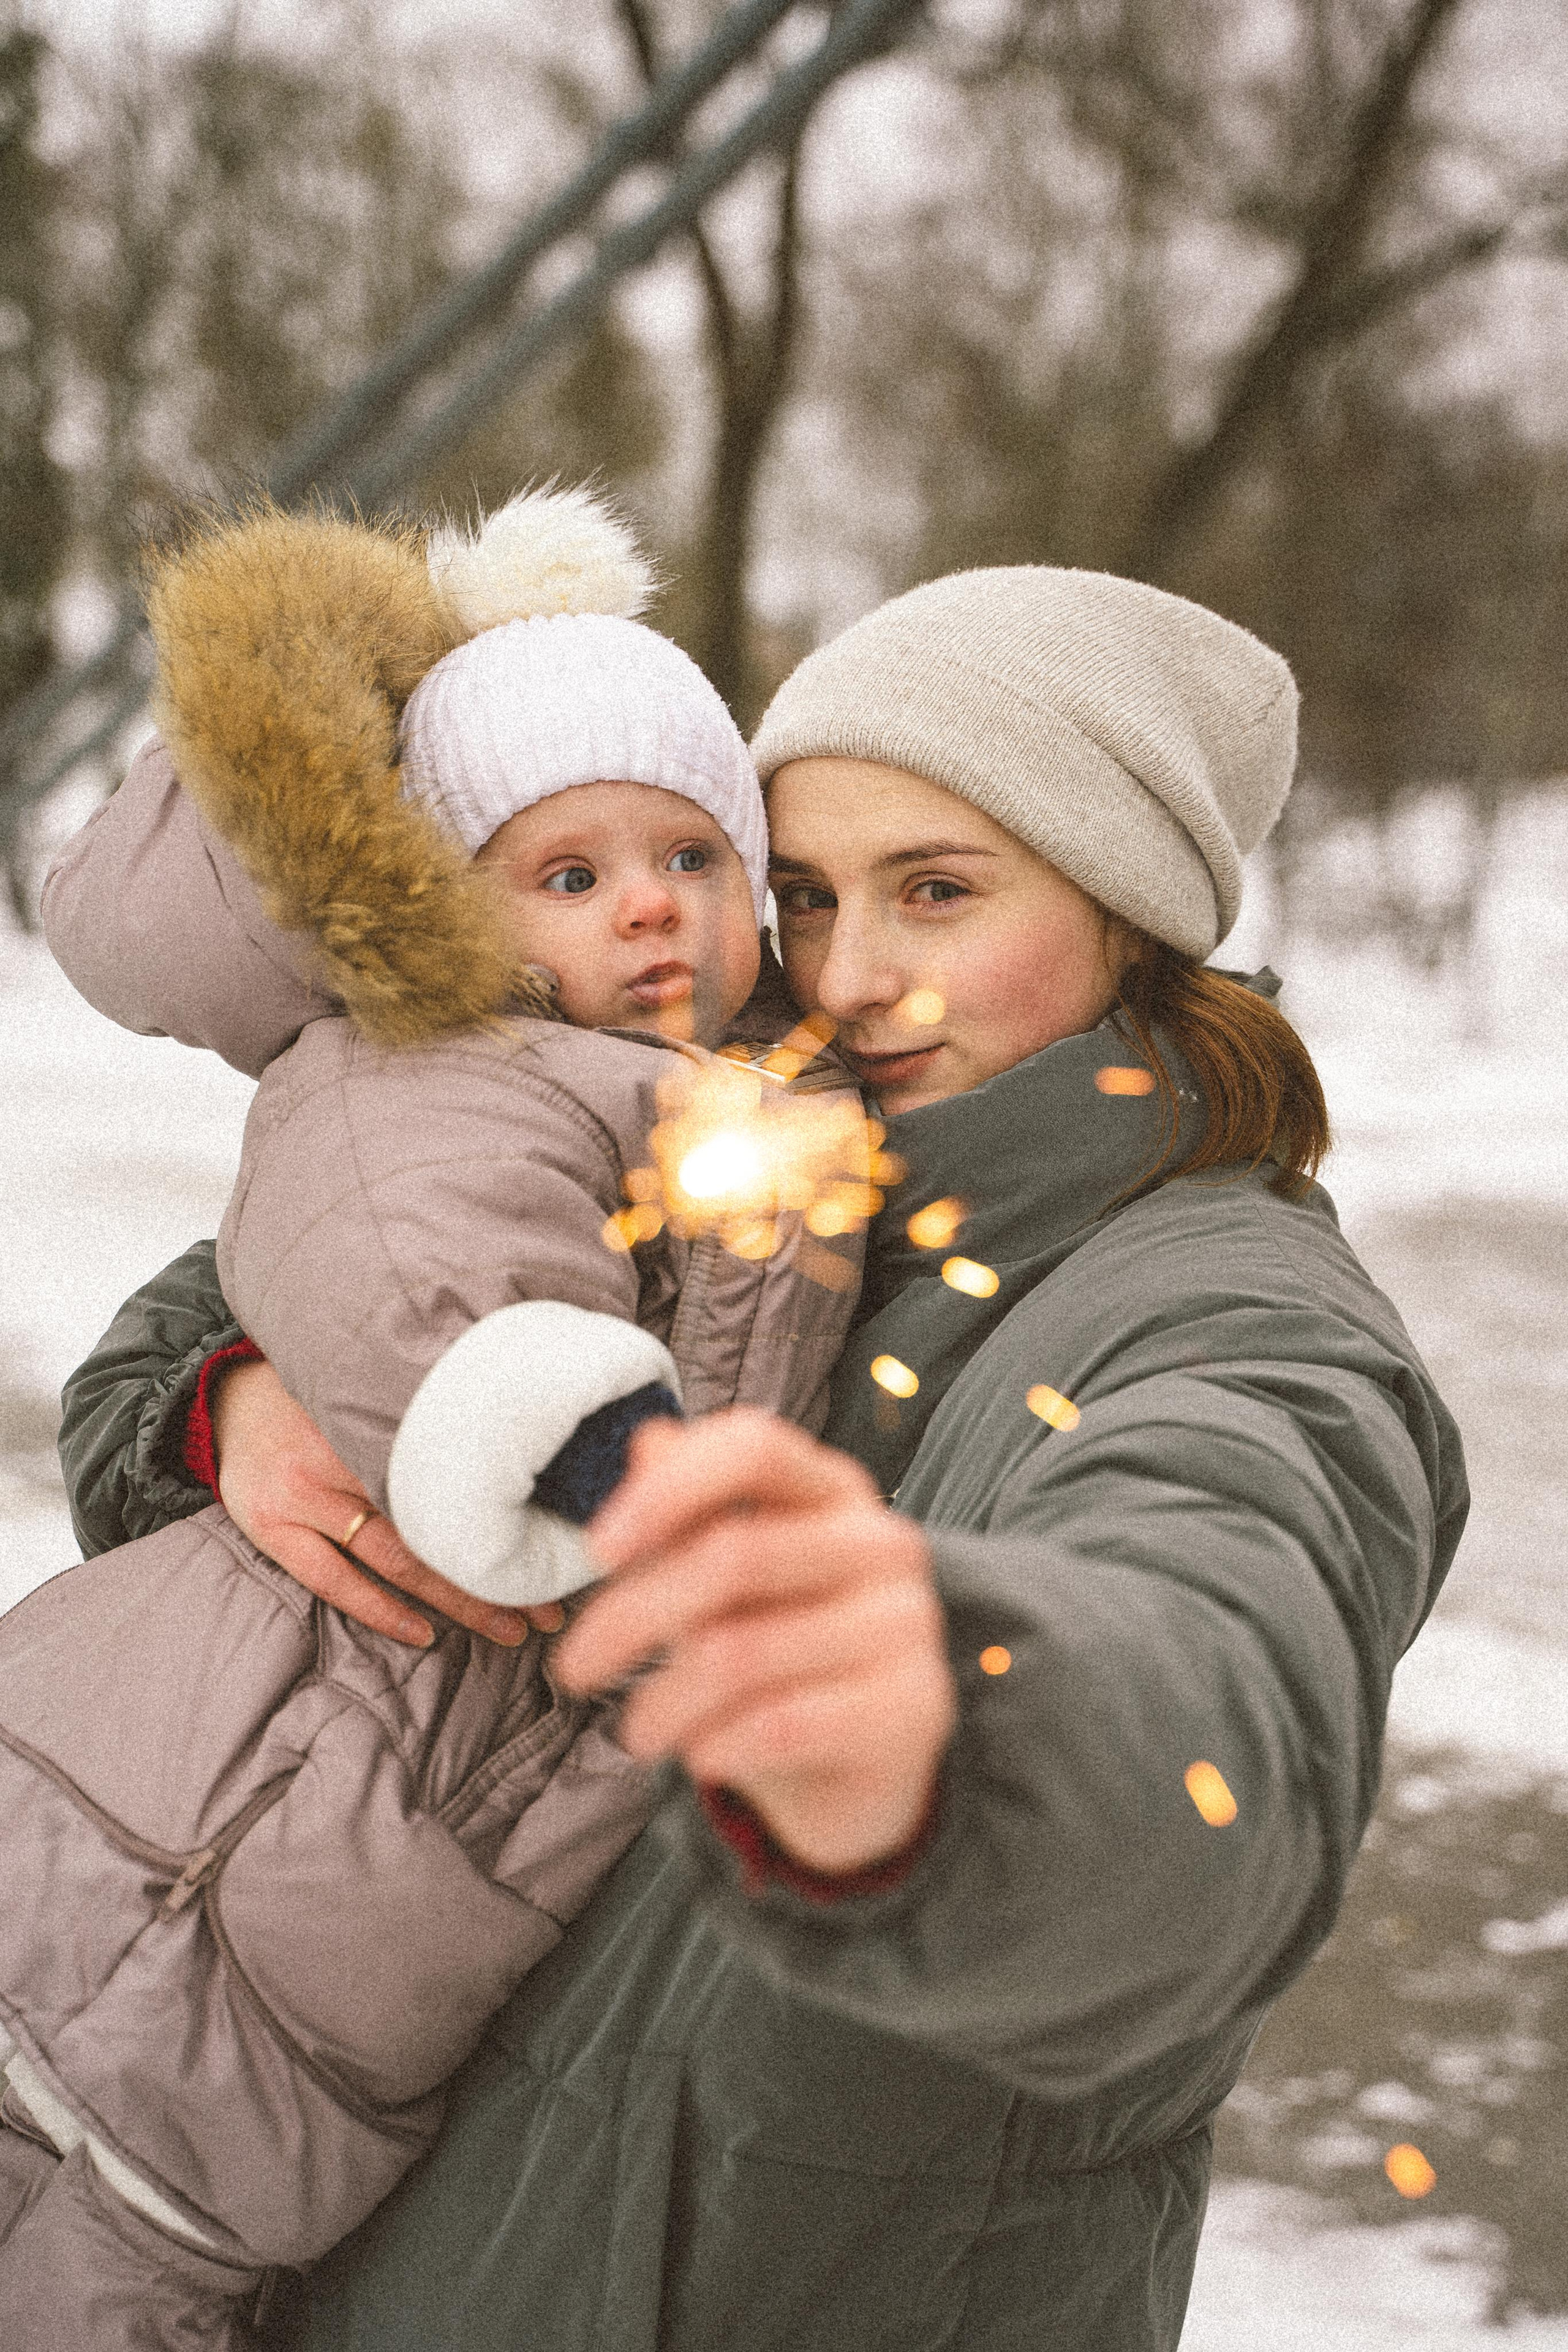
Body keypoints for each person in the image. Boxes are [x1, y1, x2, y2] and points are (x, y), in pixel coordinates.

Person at [50, 565, 1467, 2351]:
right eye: (800, 893)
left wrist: (962, 1725)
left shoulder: (1229, 1312)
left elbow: (1227, 1677)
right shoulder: (705, 1117)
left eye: (938, 893)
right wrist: (243, 1406)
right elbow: (204, 1318)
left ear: (1129, 912)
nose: (853, 975)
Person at [0, 489, 868, 2348]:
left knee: (147, 2249)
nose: (649, 904)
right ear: (449, 912)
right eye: (569, 874)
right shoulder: (463, 1067)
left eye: (695, 857)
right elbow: (414, 1259)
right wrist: (572, 1443)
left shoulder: (731, 1096)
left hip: (337, 1884)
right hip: (189, 1827)